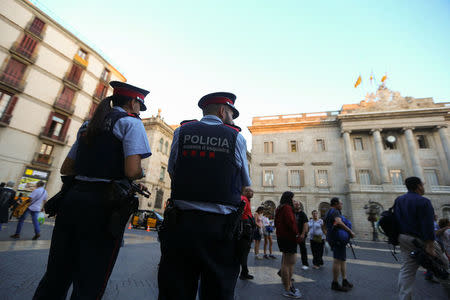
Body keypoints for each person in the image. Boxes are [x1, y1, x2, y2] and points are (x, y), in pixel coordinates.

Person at [32, 81, 152, 299]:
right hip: (103, 207)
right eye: (139, 107)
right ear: (134, 102)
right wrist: (139, 175)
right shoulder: (130, 123)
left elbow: (67, 167)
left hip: (73, 201)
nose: (139, 111)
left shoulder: (88, 124)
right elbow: (132, 170)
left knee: (56, 274)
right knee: (90, 279)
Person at [158, 92, 251, 300]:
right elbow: (245, 183)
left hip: (182, 225)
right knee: (218, 292)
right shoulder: (236, 137)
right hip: (220, 230)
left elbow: (173, 170)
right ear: (222, 111)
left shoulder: (181, 131)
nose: (233, 119)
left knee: (175, 291)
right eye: (231, 113)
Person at [394, 177, 449, 300]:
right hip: (421, 239)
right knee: (444, 263)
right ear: (419, 186)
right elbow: (428, 225)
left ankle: (404, 297)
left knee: (407, 270)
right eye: (423, 185)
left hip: (403, 238)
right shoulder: (423, 201)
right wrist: (430, 246)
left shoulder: (399, 200)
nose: (424, 187)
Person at [275, 191, 303, 299]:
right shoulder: (287, 208)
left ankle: (289, 286)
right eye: (292, 198)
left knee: (287, 262)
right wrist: (297, 234)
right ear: (288, 198)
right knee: (288, 264)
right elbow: (291, 223)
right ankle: (288, 289)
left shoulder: (279, 208)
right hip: (288, 237)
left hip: (282, 238)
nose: (293, 200)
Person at [325, 197, 354, 292]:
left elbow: (323, 225)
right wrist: (349, 231)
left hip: (334, 237)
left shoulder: (328, 212)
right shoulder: (335, 211)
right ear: (336, 204)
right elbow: (338, 222)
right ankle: (335, 283)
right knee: (337, 260)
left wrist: (327, 234)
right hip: (337, 238)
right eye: (341, 203)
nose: (342, 205)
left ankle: (344, 280)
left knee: (342, 260)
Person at [238, 187, 255, 279]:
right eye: (251, 191)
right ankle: (244, 273)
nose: (252, 193)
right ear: (246, 192)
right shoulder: (244, 199)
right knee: (244, 251)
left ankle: (244, 272)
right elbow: (240, 212)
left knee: (245, 251)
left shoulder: (246, 200)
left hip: (246, 229)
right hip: (245, 230)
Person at [294, 201, 309, 270]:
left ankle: (305, 263)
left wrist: (303, 234)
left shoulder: (303, 214)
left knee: (303, 249)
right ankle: (291, 263)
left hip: (301, 234)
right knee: (292, 250)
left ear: (300, 206)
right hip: (294, 234)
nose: (297, 205)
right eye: (295, 204)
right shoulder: (293, 213)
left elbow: (305, 224)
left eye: (298, 204)